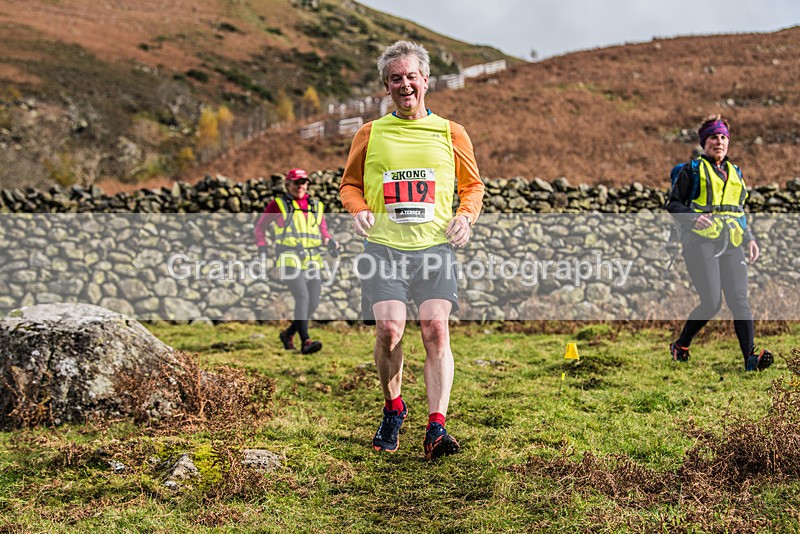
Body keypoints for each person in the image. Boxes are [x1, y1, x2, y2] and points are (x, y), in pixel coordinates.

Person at [339, 40, 484, 459]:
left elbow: (473, 186)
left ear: (426, 81)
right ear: (386, 86)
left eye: (411, 76)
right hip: (383, 248)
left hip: (434, 248)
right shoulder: (370, 133)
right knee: (388, 331)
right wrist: (359, 207)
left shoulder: (451, 132)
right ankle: (393, 407)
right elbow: (348, 184)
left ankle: (436, 428)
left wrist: (465, 216)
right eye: (396, 78)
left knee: (436, 330)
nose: (405, 84)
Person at [665, 115, 773, 372]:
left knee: (739, 299)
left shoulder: (735, 173)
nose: (719, 141)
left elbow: (737, 210)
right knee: (712, 303)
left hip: (732, 242)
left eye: (723, 137)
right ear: (704, 142)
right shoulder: (692, 171)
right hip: (700, 242)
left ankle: (750, 357)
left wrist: (750, 238)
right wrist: (693, 218)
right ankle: (681, 345)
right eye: (714, 137)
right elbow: (673, 204)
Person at [254, 168, 338, 355]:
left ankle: (288, 334)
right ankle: (305, 341)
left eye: (304, 182)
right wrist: (262, 245)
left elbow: (323, 232)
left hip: (312, 260)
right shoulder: (278, 205)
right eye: (296, 182)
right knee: (302, 297)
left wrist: (331, 242)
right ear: (288, 184)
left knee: (313, 303)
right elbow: (260, 227)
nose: (300, 186)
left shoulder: (316, 206)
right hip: (288, 259)